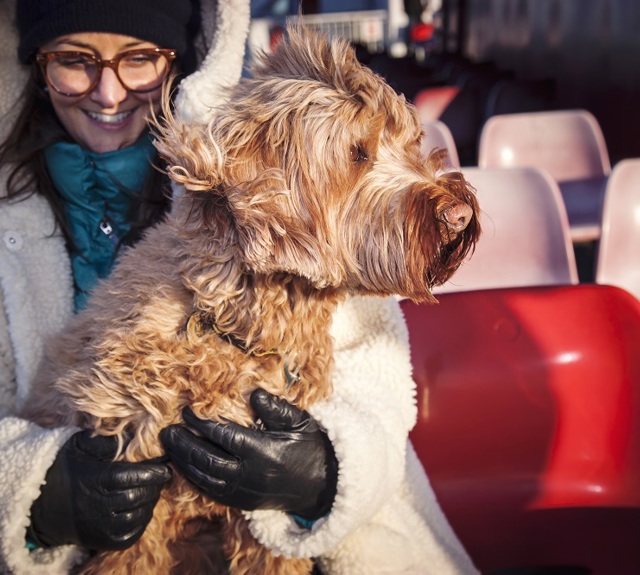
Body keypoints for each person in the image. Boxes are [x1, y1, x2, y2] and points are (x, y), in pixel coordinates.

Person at [0, 0, 479, 574]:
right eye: (74, 61)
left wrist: (325, 471)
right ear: (35, 64)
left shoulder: (305, 182)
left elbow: (382, 400)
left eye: (140, 59)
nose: (109, 93)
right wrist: (40, 493)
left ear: (179, 60)